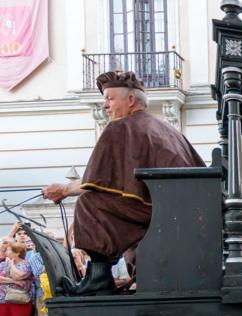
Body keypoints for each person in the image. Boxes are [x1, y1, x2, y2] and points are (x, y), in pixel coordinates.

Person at [41, 71, 205, 296]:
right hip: (183, 214)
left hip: (162, 213)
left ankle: (99, 276)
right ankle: (132, 285)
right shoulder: (165, 127)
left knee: (89, 202)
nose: (105, 105)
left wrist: (65, 189)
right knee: (114, 210)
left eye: (109, 98)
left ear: (130, 100)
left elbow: (95, 183)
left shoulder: (122, 126)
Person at [0, 241, 35, 316]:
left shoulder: (26, 264)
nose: (6, 252)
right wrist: (13, 281)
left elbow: (21, 275)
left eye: (9, 250)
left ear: (17, 253)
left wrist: (12, 265)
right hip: (3, 299)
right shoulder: (3, 264)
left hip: (20, 300)